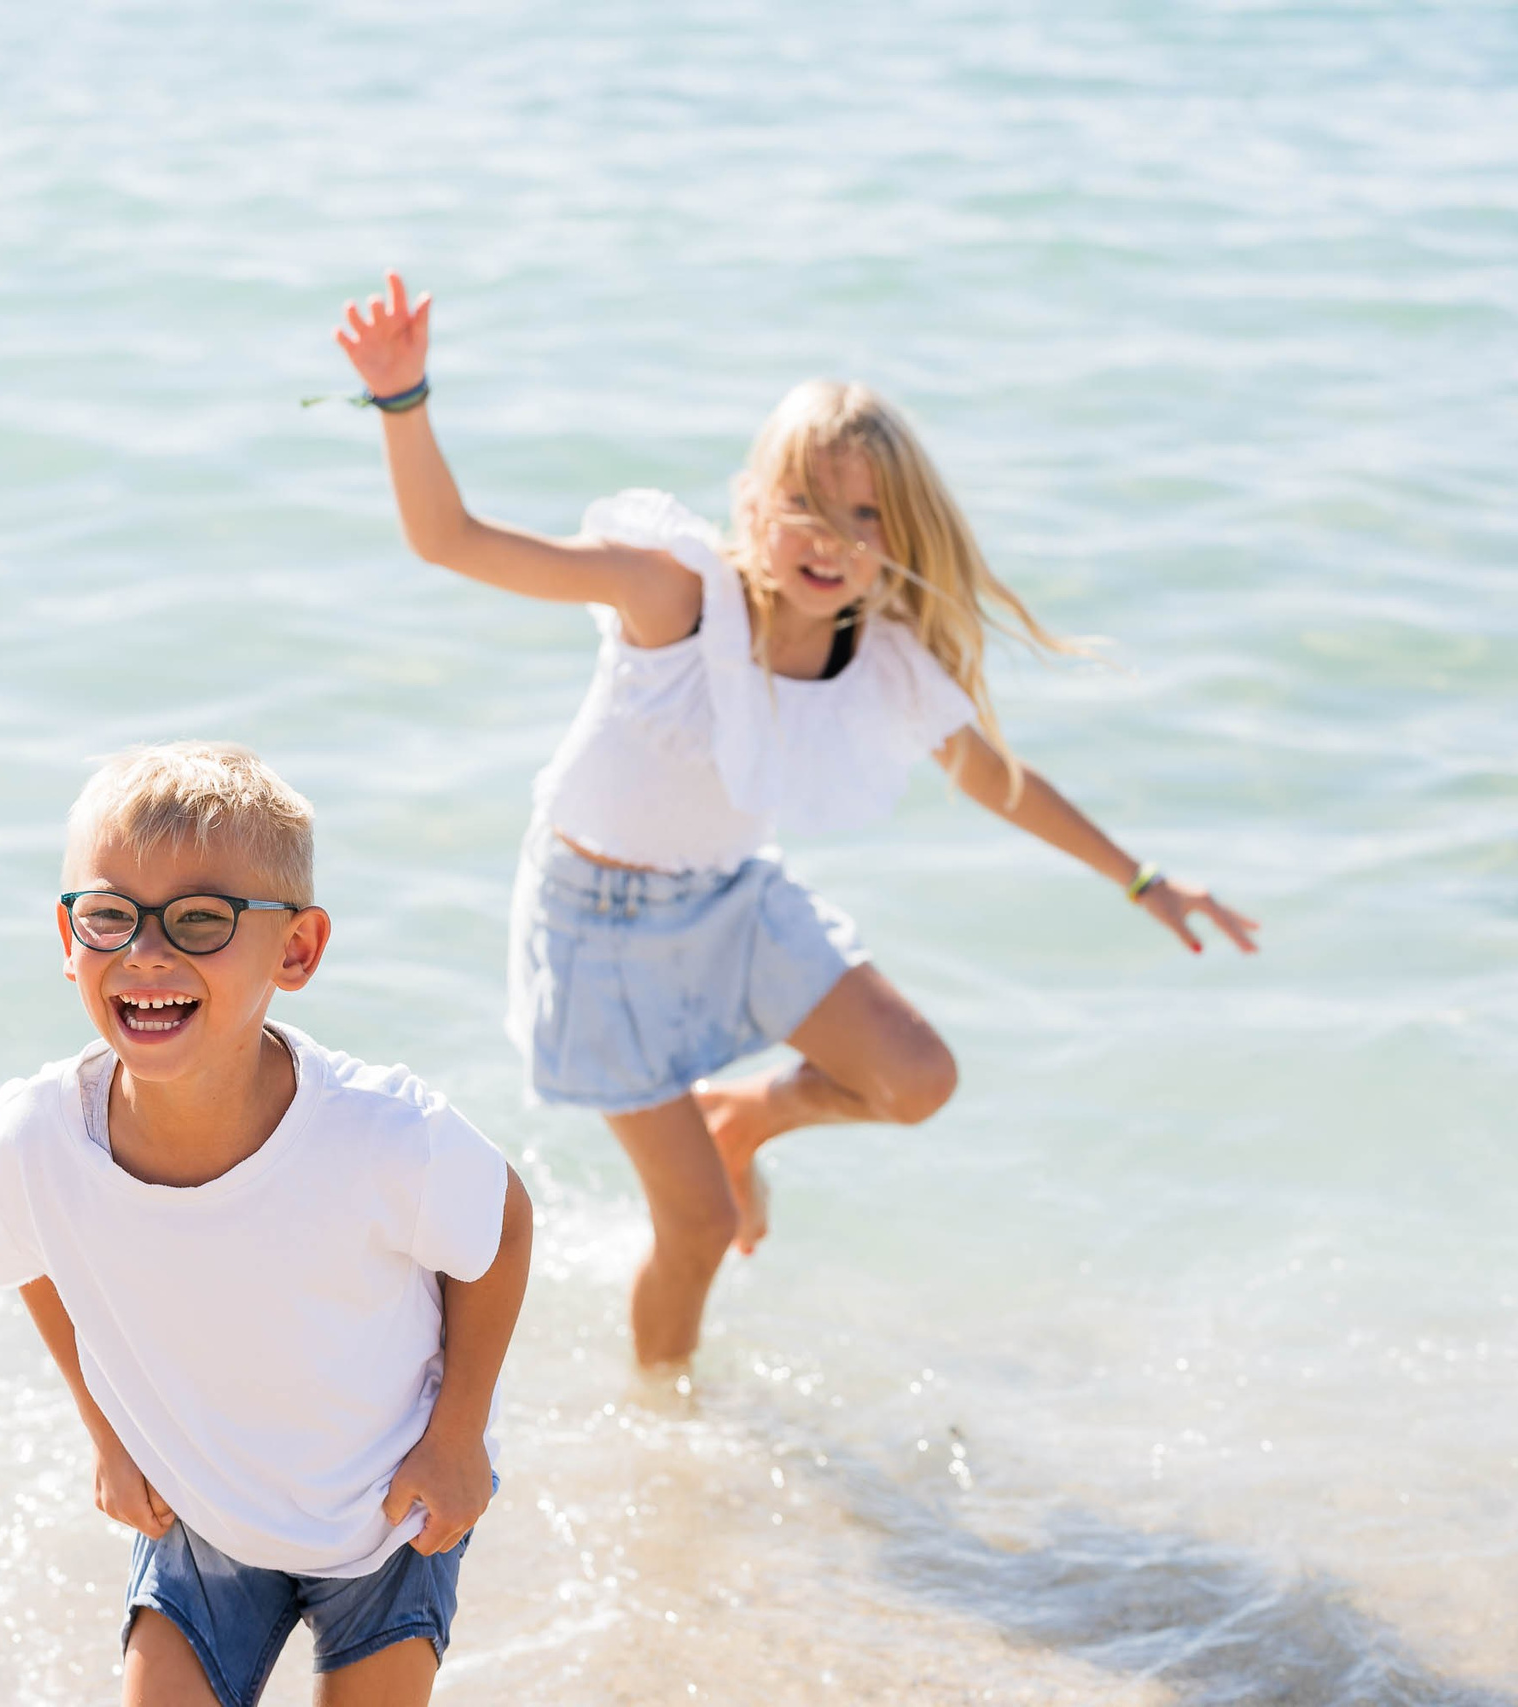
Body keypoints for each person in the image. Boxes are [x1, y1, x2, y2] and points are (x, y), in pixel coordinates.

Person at [333, 273, 1257, 1374]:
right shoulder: (675, 597)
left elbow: (995, 779)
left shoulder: (883, 658)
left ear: (900, 532)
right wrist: (403, 398)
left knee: (917, 1079)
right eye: (808, 505)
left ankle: (747, 1118)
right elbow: (454, 542)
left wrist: (1143, 881)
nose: (833, 537)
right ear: (753, 505)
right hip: (595, 927)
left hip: (730, 901)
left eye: (866, 516)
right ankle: (668, 1434)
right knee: (701, 1229)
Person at [0, 740, 534, 1707]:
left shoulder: (381, 1135)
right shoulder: (38, 1139)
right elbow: (38, 1262)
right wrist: (105, 1434)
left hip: (384, 1514)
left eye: (200, 918)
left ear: (298, 949)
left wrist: (458, 1432)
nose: (147, 952)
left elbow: (502, 1230)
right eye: (110, 916)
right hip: (203, 1511)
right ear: (68, 942)